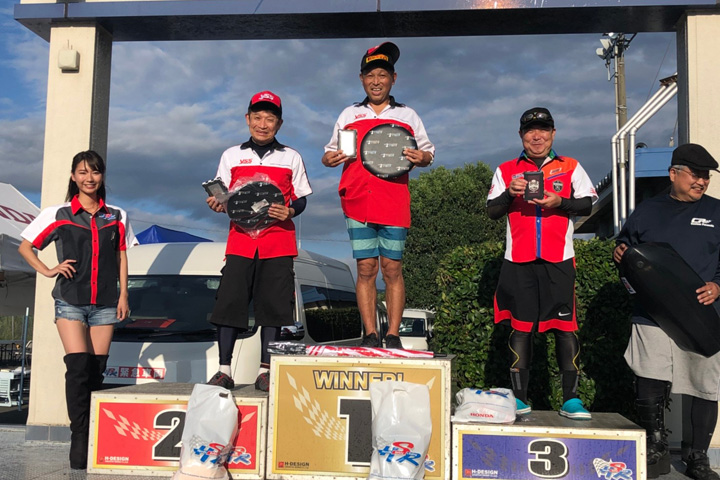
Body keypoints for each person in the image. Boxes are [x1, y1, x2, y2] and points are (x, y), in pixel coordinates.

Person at [18, 150, 134, 470]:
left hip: (106, 303)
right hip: (70, 300)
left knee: (96, 372)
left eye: (94, 172)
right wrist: (48, 270)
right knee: (78, 367)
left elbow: (122, 256)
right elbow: (26, 246)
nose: (89, 178)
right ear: (73, 176)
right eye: (82, 172)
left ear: (102, 176)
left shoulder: (117, 216)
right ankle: (79, 437)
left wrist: (124, 295)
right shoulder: (58, 214)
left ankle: (94, 433)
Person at [613, 143, 720, 480]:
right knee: (649, 375)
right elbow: (625, 248)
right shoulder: (647, 211)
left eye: (706, 176)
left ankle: (698, 457)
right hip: (652, 312)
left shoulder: (717, 212)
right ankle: (655, 448)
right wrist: (620, 255)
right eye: (695, 174)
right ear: (673, 174)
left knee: (705, 385)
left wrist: (718, 286)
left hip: (702, 314)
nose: (702, 181)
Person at [322, 42, 435, 349]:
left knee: (392, 268)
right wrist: (329, 159)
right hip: (357, 200)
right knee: (365, 268)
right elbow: (330, 152)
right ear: (361, 79)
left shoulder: (408, 114)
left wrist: (422, 157)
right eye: (370, 75)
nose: (376, 81)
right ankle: (370, 334)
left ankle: (393, 335)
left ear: (393, 79)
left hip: (394, 200)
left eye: (382, 75)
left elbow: (428, 152)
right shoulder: (349, 113)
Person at [486, 107, 597, 420]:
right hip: (518, 260)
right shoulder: (506, 169)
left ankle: (571, 400)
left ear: (553, 133)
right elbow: (492, 211)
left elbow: (588, 204)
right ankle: (519, 399)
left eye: (544, 130)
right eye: (530, 131)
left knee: (565, 328)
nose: (537, 136)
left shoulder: (570, 165)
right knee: (520, 329)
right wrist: (510, 194)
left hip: (558, 259)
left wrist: (560, 202)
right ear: (521, 135)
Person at [206, 90, 312, 392]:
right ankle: (224, 370)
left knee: (274, 308)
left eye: (270, 118)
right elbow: (222, 196)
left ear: (279, 123)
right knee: (229, 303)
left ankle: (266, 370)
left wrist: (290, 211)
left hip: (278, 242)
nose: (263, 124)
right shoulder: (231, 155)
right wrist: (217, 204)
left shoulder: (291, 156)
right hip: (240, 241)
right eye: (257, 117)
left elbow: (301, 198)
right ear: (247, 119)